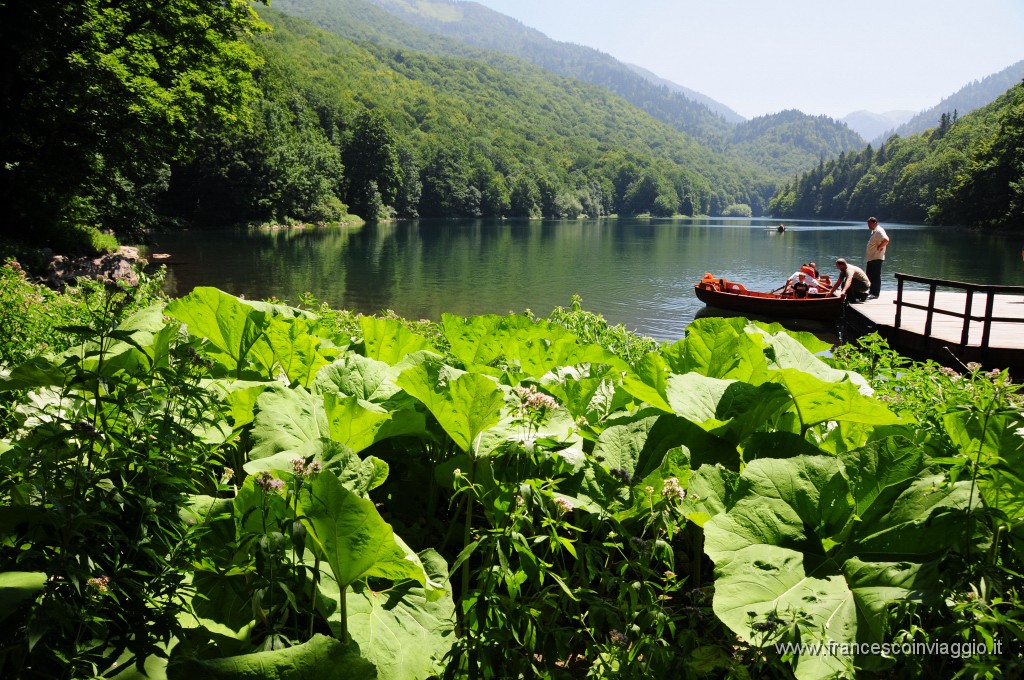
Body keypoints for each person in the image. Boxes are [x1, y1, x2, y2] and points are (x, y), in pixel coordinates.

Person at [865, 216, 889, 298]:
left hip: (876, 257)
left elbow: (886, 240)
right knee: (870, 275)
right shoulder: (874, 231)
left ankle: (875, 293)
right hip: (871, 258)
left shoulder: (879, 231)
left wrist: (880, 247)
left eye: (869, 224)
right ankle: (871, 292)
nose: (868, 226)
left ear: (874, 223)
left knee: (875, 276)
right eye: (868, 224)